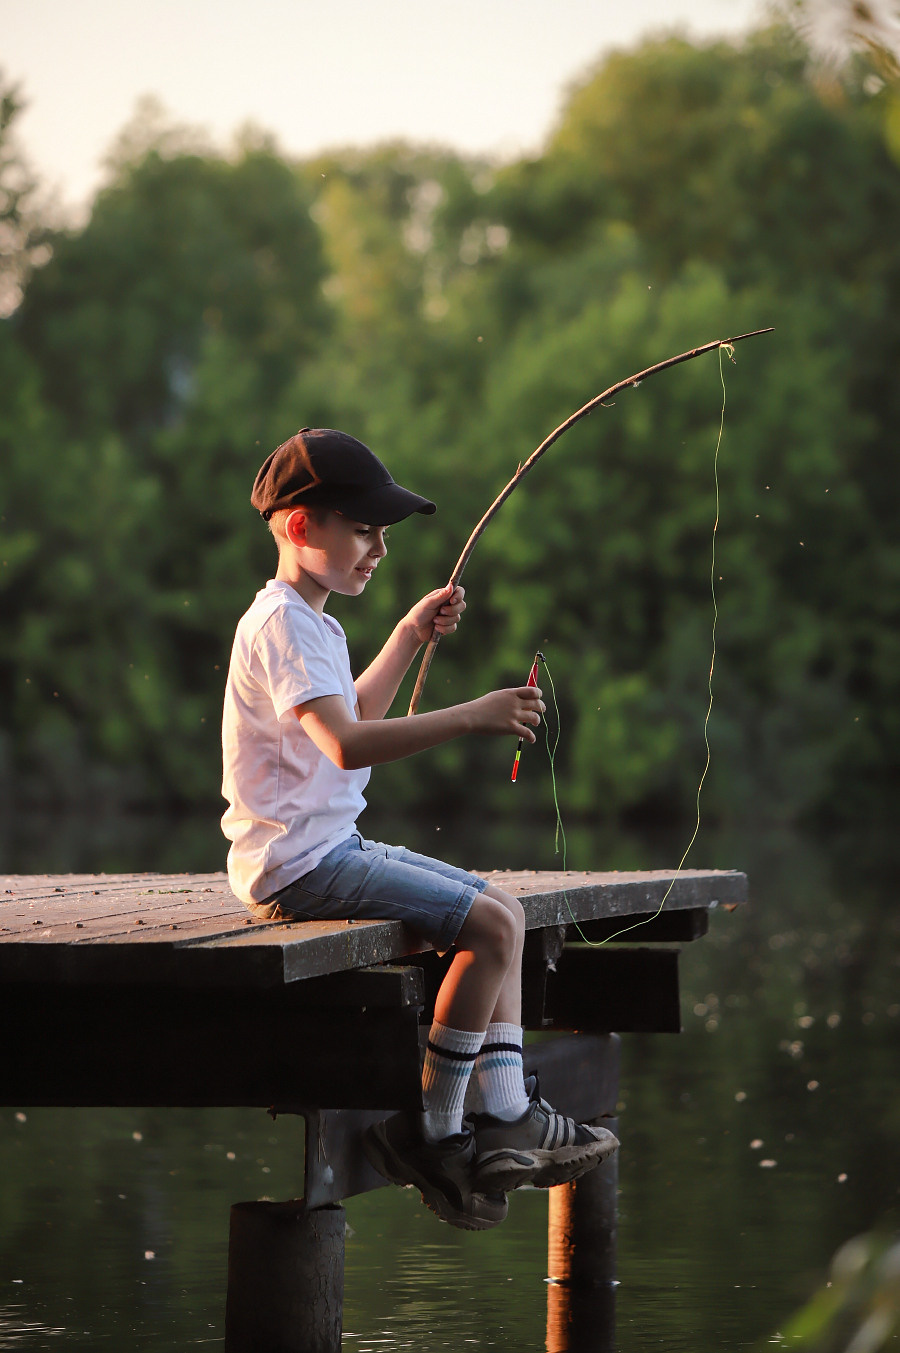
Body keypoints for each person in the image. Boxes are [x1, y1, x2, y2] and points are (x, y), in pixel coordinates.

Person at [221, 427, 619, 1231]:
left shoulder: (312, 622)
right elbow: (349, 743)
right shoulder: (283, 625)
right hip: (299, 866)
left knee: (502, 911)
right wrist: (471, 715)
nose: (378, 549)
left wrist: (406, 634)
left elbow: (353, 711)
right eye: (363, 529)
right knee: (485, 929)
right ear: (302, 527)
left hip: (327, 849)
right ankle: (436, 1130)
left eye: (383, 535)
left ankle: (503, 1113)